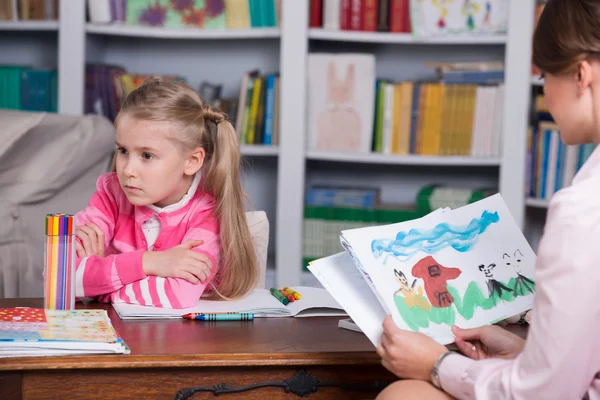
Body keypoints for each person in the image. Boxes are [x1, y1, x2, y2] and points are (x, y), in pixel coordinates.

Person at [375, 0, 600, 398]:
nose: (545, 93)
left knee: (404, 394)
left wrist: (437, 365)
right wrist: (525, 352)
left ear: (581, 74)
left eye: (546, 75)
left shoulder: (584, 211)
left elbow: (543, 395)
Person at [73, 77, 258, 308]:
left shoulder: (207, 214)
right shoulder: (110, 194)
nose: (128, 169)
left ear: (191, 161)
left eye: (147, 156)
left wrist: (99, 283)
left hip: (183, 341)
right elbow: (61, 279)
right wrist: (149, 263)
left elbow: (179, 295)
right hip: (116, 336)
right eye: (123, 150)